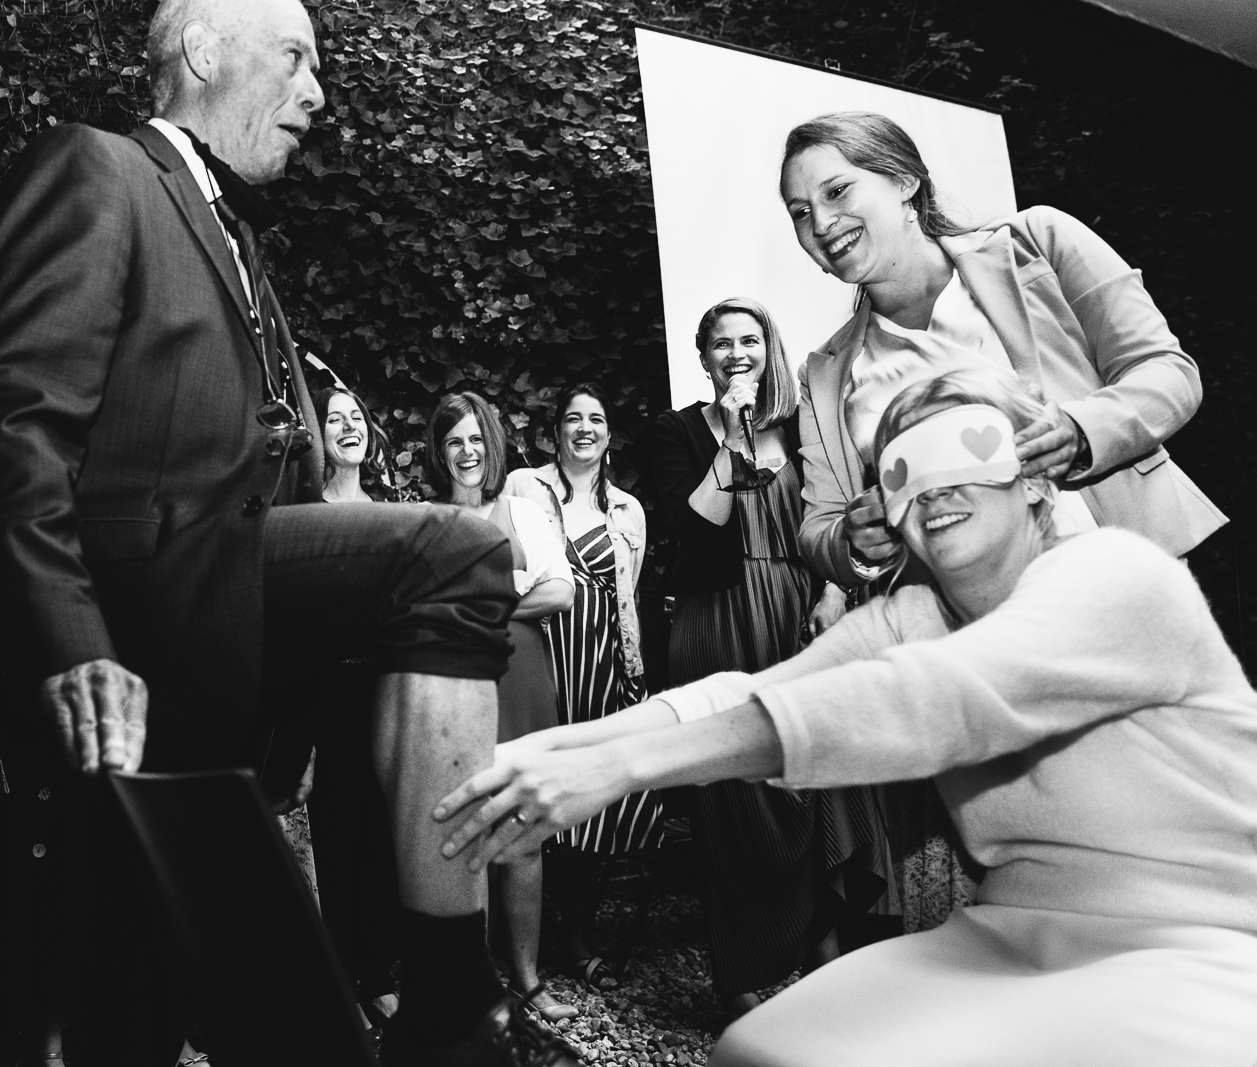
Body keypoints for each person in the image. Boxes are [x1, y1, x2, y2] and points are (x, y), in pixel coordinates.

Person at [0, 1, 577, 1064]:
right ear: (203, 50)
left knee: (134, 1001)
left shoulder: (239, 238)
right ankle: (451, 1003)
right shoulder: (98, 169)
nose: (316, 94)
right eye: (295, 59)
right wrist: (70, 642)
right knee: (454, 551)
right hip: (135, 620)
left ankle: (421, 985)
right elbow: (15, 428)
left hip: (224, 669)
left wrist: (310, 673)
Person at [435, 365, 1257, 1067]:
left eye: (968, 452)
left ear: (1036, 477)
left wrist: (623, 768)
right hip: (1007, 927)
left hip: (1200, 941)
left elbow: (932, 697)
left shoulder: (1119, 574)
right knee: (760, 1048)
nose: (936, 490)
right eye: (906, 470)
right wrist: (561, 746)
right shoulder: (916, 614)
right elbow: (747, 692)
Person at [780, 110, 1225, 591]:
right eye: (800, 212)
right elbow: (819, 528)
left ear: (905, 181)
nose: (820, 223)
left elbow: (1168, 373)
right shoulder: (824, 374)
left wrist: (1082, 431)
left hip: (1125, 577)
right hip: (970, 618)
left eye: (837, 191)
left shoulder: (1038, 243)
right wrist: (853, 540)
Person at [646, 298, 883, 1015]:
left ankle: (820, 946)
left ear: (768, 346)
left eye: (749, 340)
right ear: (704, 357)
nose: (737, 354)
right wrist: (731, 432)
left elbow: (835, 518)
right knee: (733, 794)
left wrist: (833, 591)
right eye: (722, 344)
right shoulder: (675, 432)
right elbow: (695, 528)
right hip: (717, 620)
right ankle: (741, 973)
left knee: (814, 773)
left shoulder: (803, 427)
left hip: (796, 614)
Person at [504, 383, 659, 991]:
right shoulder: (524, 488)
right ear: (555, 432)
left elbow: (629, 594)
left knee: (595, 803)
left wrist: (631, 670)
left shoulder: (629, 511)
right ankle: (522, 942)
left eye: (596, 418)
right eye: (573, 418)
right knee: (537, 795)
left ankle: (576, 939)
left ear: (609, 433)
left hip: (602, 666)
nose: (585, 428)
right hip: (543, 660)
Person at [428, 393, 577, 1021]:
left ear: (491, 445)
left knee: (523, 829)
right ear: (439, 452)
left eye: (476, 439)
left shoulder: (521, 512)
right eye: (454, 441)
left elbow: (561, 591)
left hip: (520, 677)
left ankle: (529, 979)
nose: (467, 452)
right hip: (453, 681)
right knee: (464, 827)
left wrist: (487, 610)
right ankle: (475, 983)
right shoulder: (428, 519)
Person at [305, 382, 402, 1028]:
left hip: (386, 687)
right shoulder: (305, 510)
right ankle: (344, 979)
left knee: (384, 831)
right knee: (336, 832)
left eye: (356, 416)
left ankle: (381, 971)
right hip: (329, 691)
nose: (349, 426)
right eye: (334, 419)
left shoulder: (390, 508)